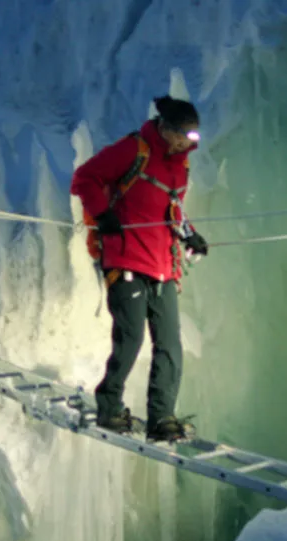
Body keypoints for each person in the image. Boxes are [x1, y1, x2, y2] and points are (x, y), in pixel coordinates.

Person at [71, 95, 209, 442]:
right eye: (184, 135)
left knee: (169, 346)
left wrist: (190, 236)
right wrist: (103, 215)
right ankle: (110, 405)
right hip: (126, 259)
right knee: (130, 338)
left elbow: (172, 209)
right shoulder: (135, 150)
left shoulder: (180, 166)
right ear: (165, 127)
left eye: (193, 137)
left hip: (163, 267)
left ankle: (161, 419)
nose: (187, 142)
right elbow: (86, 177)